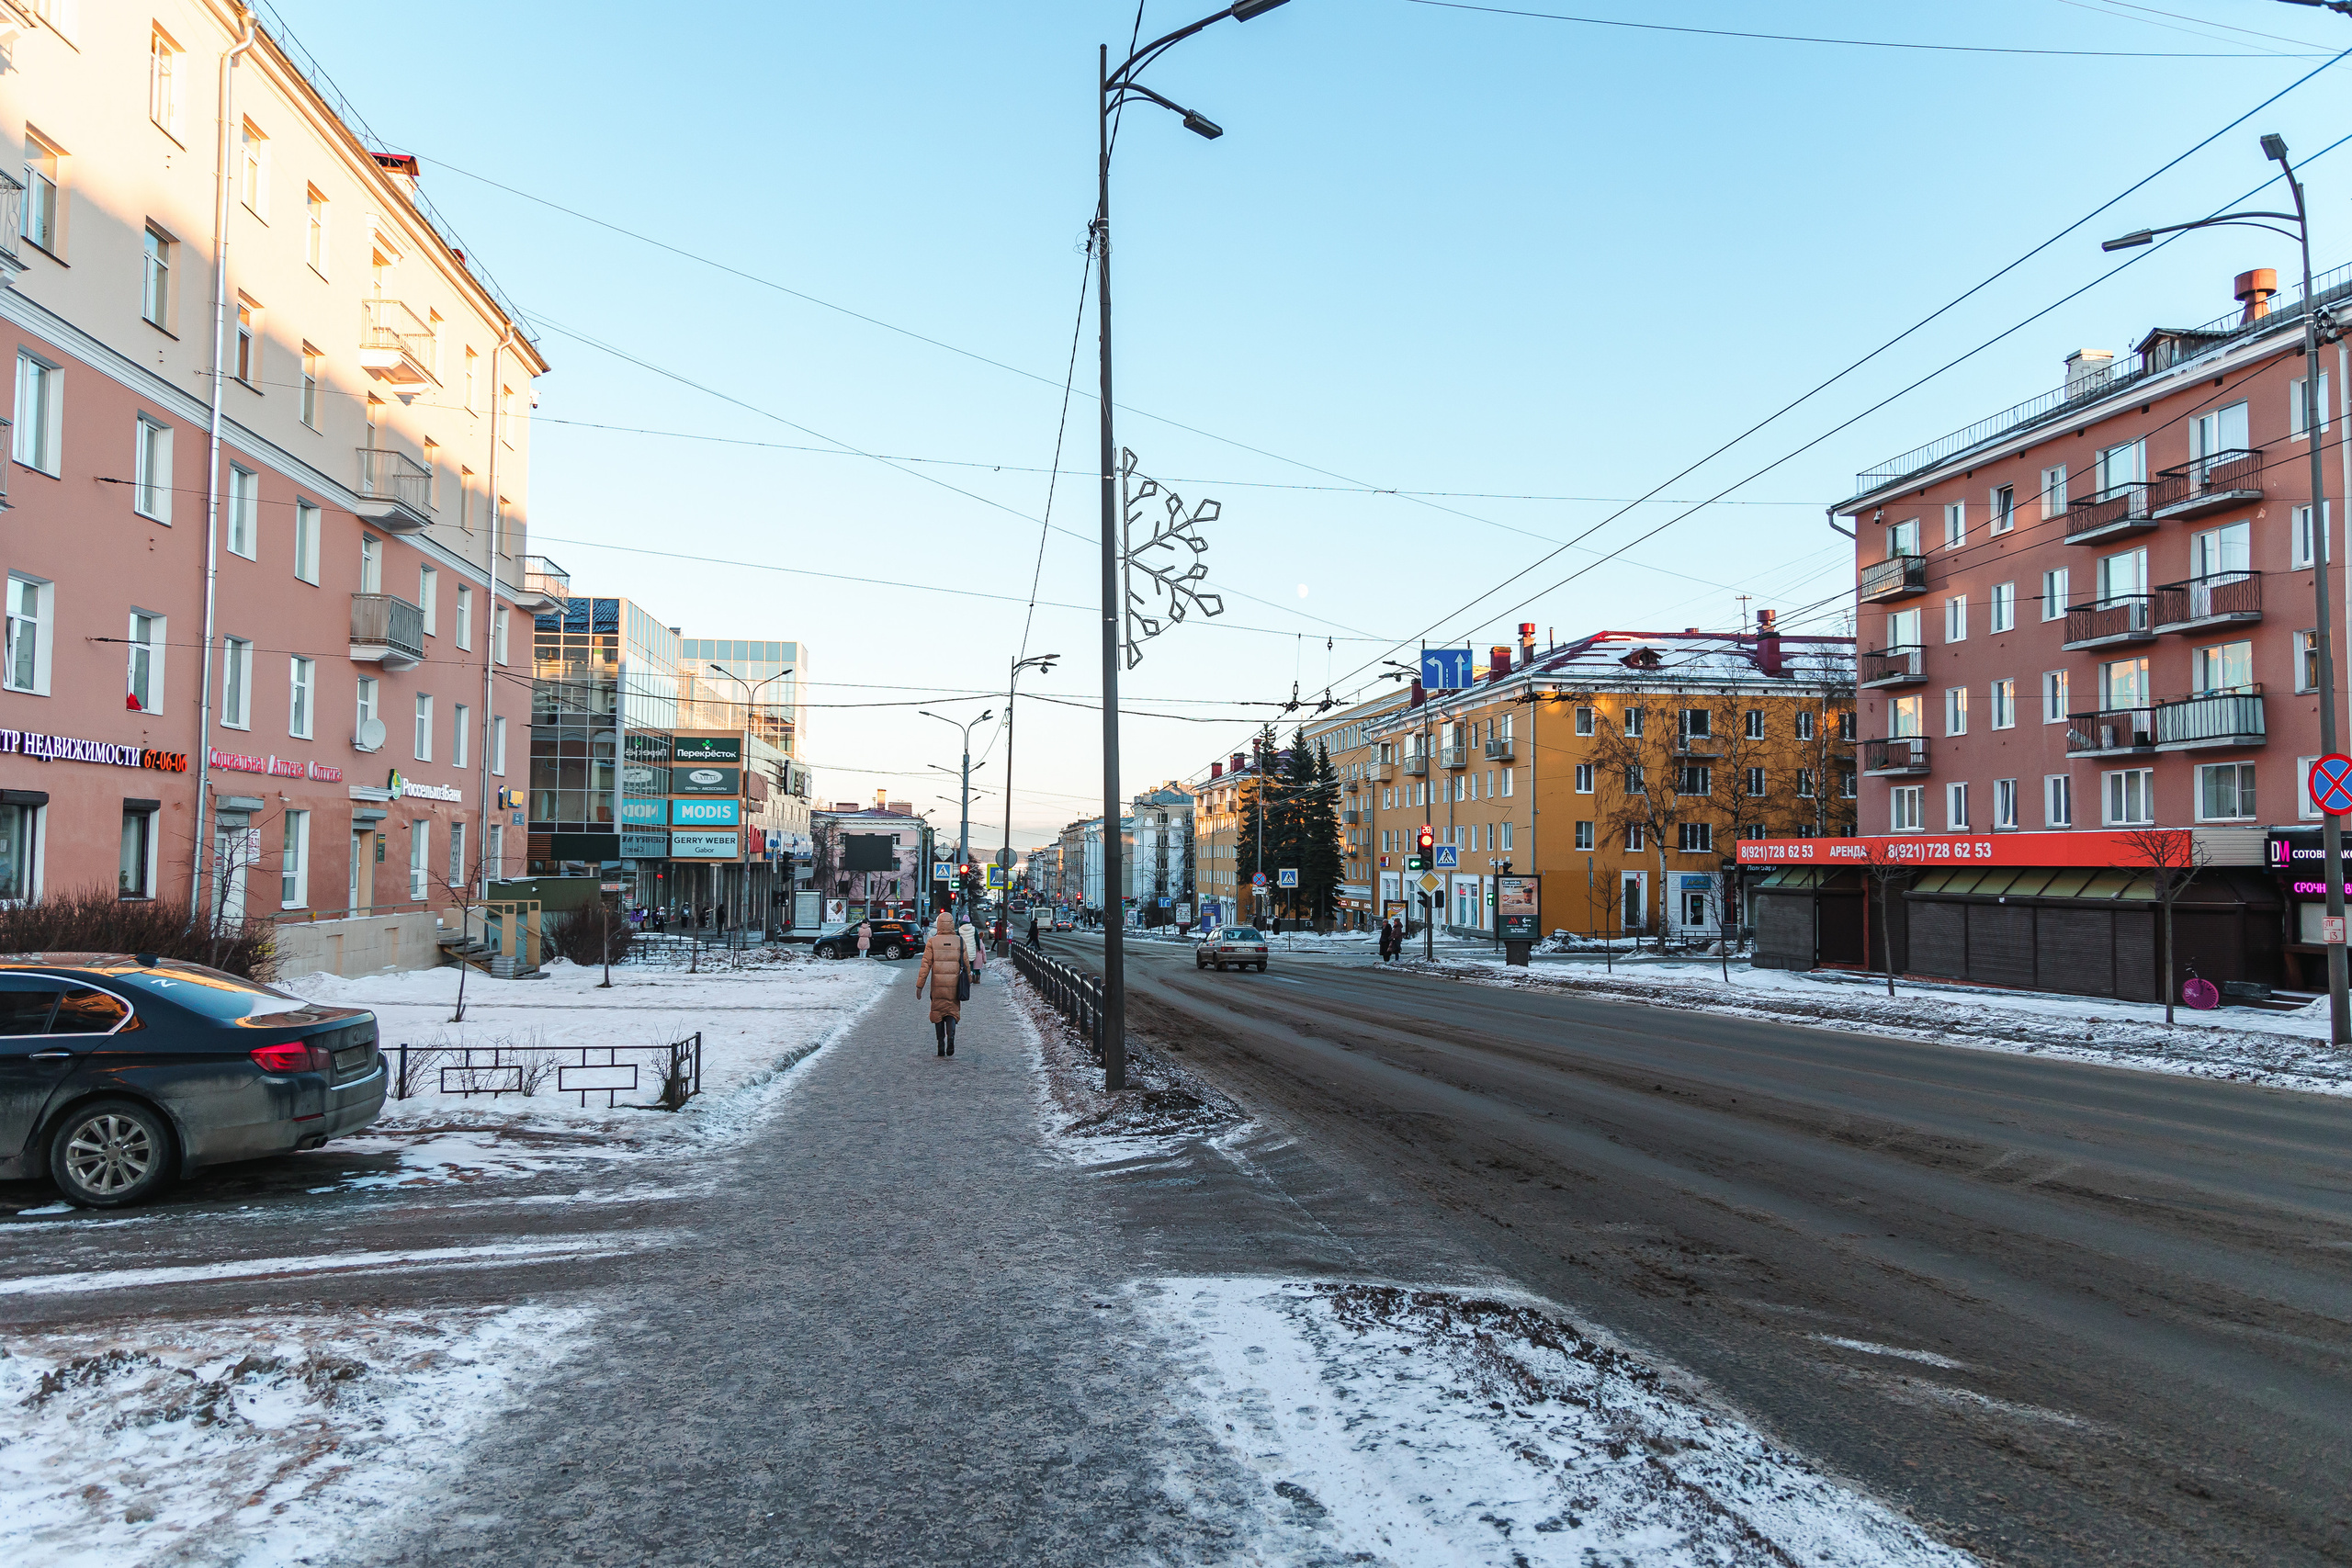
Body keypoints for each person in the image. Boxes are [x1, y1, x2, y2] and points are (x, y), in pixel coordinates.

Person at [915, 911, 967, 1055]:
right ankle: (951, 1037)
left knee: (938, 1013)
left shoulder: (932, 942)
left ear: (938, 925)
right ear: (951, 924)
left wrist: (920, 985)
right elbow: (966, 964)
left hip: (937, 986)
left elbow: (925, 966)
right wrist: (968, 981)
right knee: (952, 1012)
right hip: (954, 986)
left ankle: (940, 1044)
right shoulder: (959, 941)